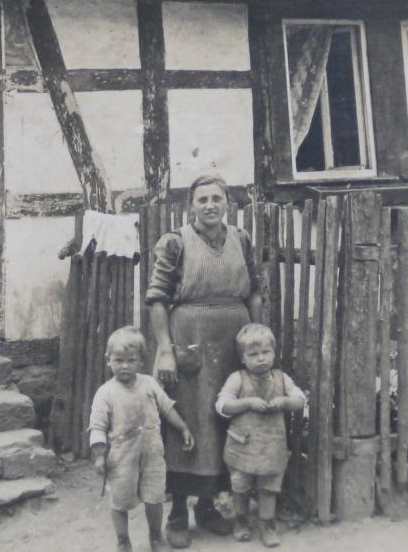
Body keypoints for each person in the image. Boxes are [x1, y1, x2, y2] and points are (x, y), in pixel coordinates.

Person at [147, 174, 265, 549]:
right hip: (190, 338)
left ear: (227, 203)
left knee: (222, 421)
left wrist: (257, 334)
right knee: (188, 419)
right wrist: (165, 349)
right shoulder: (175, 243)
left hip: (234, 340)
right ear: (191, 206)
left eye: (217, 198)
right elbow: (157, 300)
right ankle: (178, 510)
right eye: (202, 200)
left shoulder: (241, 240)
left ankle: (209, 507)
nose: (210, 205)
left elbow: (256, 292)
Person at [90, 326, 196, 552]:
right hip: (121, 456)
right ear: (108, 360)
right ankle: (122, 540)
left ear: (141, 361)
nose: (125, 366)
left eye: (131, 360)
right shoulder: (105, 393)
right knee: (120, 500)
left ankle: (156, 536)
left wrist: (183, 427)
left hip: (152, 452)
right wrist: (99, 456)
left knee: (155, 496)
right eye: (118, 360)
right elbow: (97, 427)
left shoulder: (149, 383)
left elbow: (167, 408)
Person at [215, 324, 306, 547]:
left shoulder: (282, 379)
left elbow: (301, 399)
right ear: (242, 358)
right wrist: (247, 403)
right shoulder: (237, 378)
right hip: (242, 447)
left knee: (269, 487)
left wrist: (285, 401)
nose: (261, 359)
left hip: (271, 447)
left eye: (266, 352)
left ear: (274, 353)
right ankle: (241, 522)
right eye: (253, 354)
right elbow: (222, 405)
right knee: (240, 486)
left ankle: (267, 524)